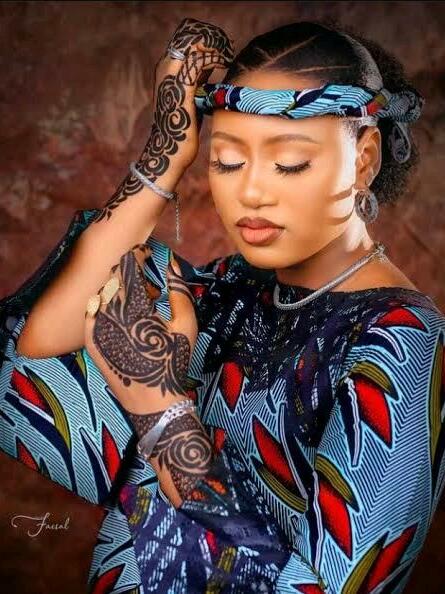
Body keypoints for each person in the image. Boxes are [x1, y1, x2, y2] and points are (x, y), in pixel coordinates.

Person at [1, 16, 444, 594]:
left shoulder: (402, 341)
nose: (251, 192)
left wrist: (161, 409)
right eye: (227, 161)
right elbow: (27, 359)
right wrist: (166, 150)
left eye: (289, 163)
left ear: (363, 158)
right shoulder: (230, 290)